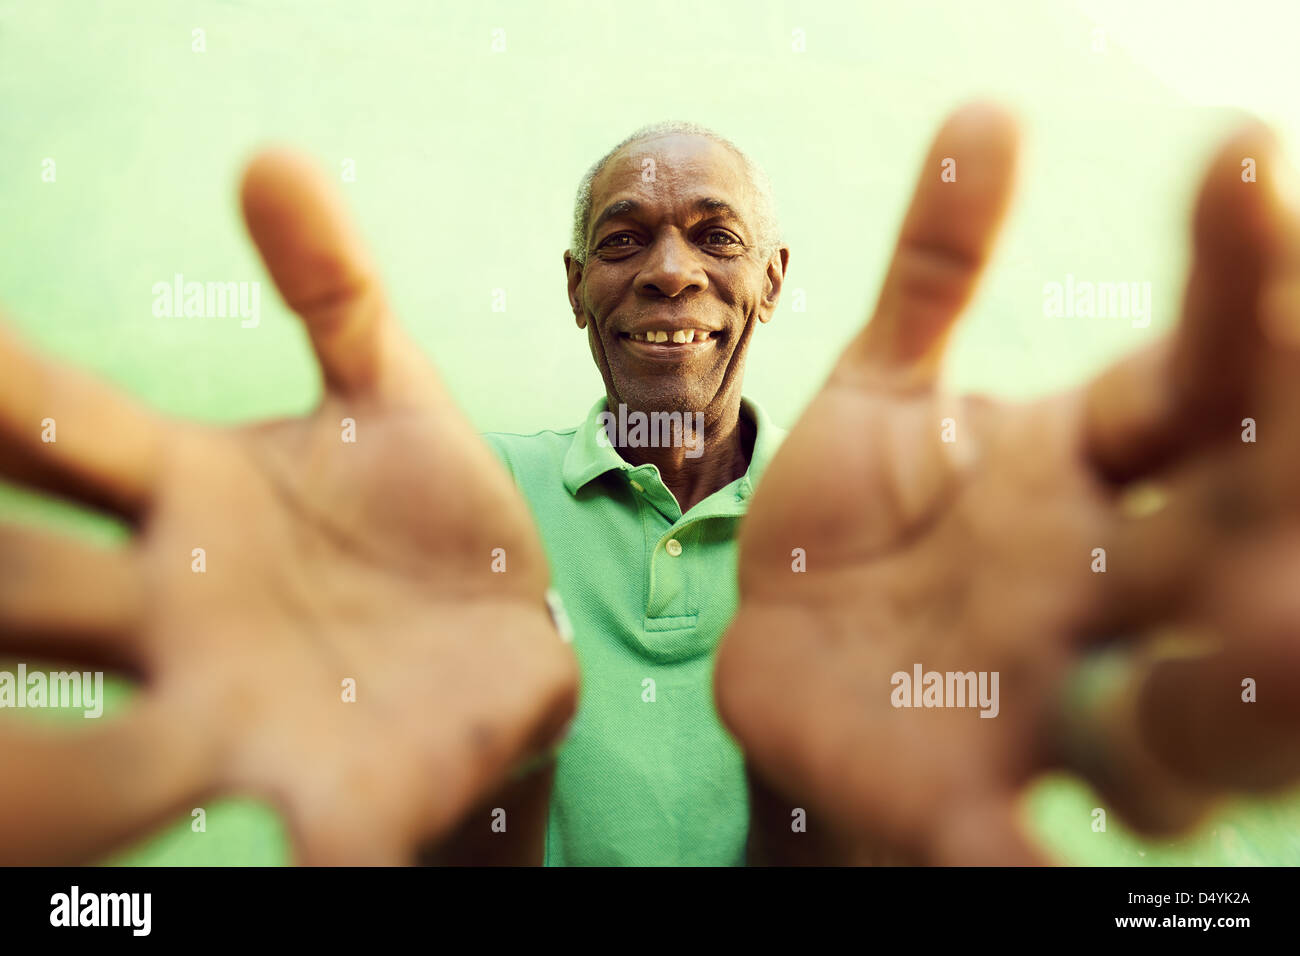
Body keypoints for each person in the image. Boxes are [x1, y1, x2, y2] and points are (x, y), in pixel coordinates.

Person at [2, 103, 1298, 866]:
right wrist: (483, 784)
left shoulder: (903, 542)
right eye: (622, 240)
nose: (669, 270)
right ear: (575, 288)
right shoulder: (452, 515)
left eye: (712, 237)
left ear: (773, 283)